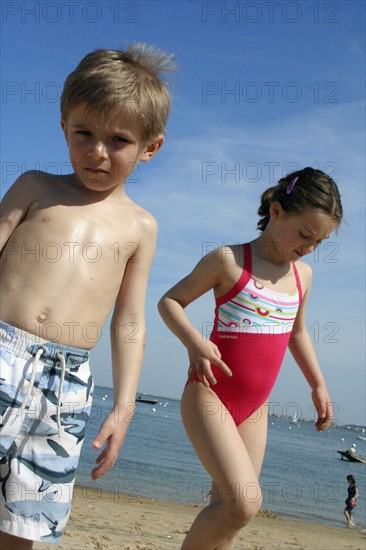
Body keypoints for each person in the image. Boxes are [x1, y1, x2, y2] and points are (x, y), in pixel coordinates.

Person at [0, 43, 175, 548]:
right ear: (64, 128)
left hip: (66, 387)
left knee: (25, 517)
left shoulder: (141, 226)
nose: (97, 151)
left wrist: (123, 407)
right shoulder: (35, 186)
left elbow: (129, 321)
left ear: (150, 147)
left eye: (118, 139)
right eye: (84, 134)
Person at [158, 167, 342, 550]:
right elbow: (170, 301)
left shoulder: (302, 275)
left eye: (319, 241)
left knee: (227, 510)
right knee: (244, 504)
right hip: (209, 395)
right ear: (276, 212)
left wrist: (318, 384)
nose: (309, 246)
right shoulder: (229, 261)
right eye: (305, 234)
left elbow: (296, 333)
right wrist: (193, 341)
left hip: (255, 408)